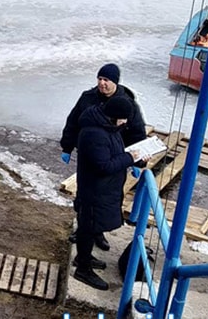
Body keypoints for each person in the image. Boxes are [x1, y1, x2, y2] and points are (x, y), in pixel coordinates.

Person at [61, 63, 148, 251]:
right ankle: (84, 230)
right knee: (86, 195)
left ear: (115, 82)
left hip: (116, 155)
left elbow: (137, 132)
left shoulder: (126, 103)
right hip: (93, 154)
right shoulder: (88, 98)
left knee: (108, 196)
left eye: (106, 80)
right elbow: (73, 122)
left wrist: (137, 159)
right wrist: (67, 147)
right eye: (99, 79)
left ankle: (97, 232)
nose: (102, 84)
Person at [72, 97, 147, 291]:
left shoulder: (107, 129)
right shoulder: (94, 133)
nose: (125, 123)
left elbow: (115, 153)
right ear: (113, 117)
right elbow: (104, 166)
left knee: (91, 225)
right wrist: (129, 157)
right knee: (88, 226)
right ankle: (83, 268)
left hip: (103, 189)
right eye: (123, 119)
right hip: (94, 189)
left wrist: (136, 159)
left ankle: (84, 258)